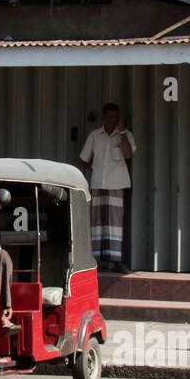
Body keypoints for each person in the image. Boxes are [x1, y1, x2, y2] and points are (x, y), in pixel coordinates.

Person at [77, 103, 136, 272]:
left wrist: (122, 131)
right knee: (97, 223)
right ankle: (95, 261)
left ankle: (116, 261)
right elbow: (83, 158)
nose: (113, 120)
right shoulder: (95, 136)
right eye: (110, 117)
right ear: (104, 117)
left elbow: (128, 154)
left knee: (115, 224)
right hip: (98, 184)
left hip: (117, 184)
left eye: (116, 118)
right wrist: (95, 167)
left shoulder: (125, 135)